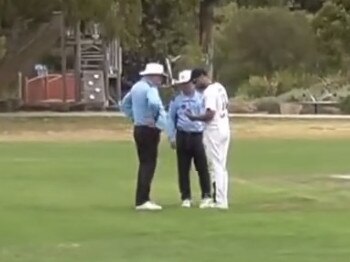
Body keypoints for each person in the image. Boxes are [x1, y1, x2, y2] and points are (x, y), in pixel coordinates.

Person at [121, 62, 168, 211]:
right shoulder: (150, 88)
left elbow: (124, 104)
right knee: (149, 164)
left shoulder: (136, 87)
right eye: (159, 77)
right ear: (153, 76)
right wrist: (154, 118)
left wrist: (135, 116)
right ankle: (143, 199)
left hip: (138, 128)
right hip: (149, 129)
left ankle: (141, 198)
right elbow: (154, 103)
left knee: (144, 163)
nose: (160, 81)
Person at [186, 68, 230, 209]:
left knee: (216, 165)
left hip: (214, 130)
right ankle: (220, 197)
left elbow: (210, 114)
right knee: (221, 165)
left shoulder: (209, 92)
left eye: (195, 81)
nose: (195, 85)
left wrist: (194, 117)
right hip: (224, 127)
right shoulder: (219, 88)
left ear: (202, 77)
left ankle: (221, 200)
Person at [168, 70, 212, 209]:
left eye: (186, 84)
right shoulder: (176, 100)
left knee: (202, 167)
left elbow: (206, 115)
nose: (184, 87)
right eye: (182, 84)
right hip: (182, 135)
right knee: (183, 168)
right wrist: (172, 136)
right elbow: (171, 119)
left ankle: (206, 195)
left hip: (197, 135)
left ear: (192, 83)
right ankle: (186, 197)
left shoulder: (201, 98)